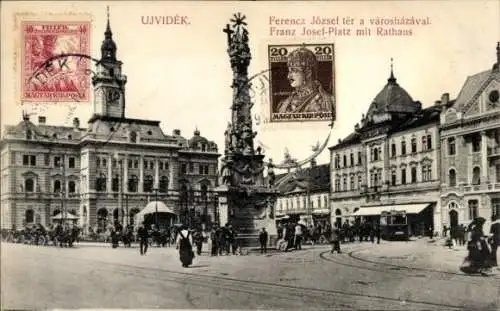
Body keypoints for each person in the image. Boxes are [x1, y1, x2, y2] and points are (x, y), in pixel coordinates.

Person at [276, 46, 334, 114]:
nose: (288, 76)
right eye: (289, 71)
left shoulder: (329, 102)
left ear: (308, 73)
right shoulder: (283, 104)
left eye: (294, 70)